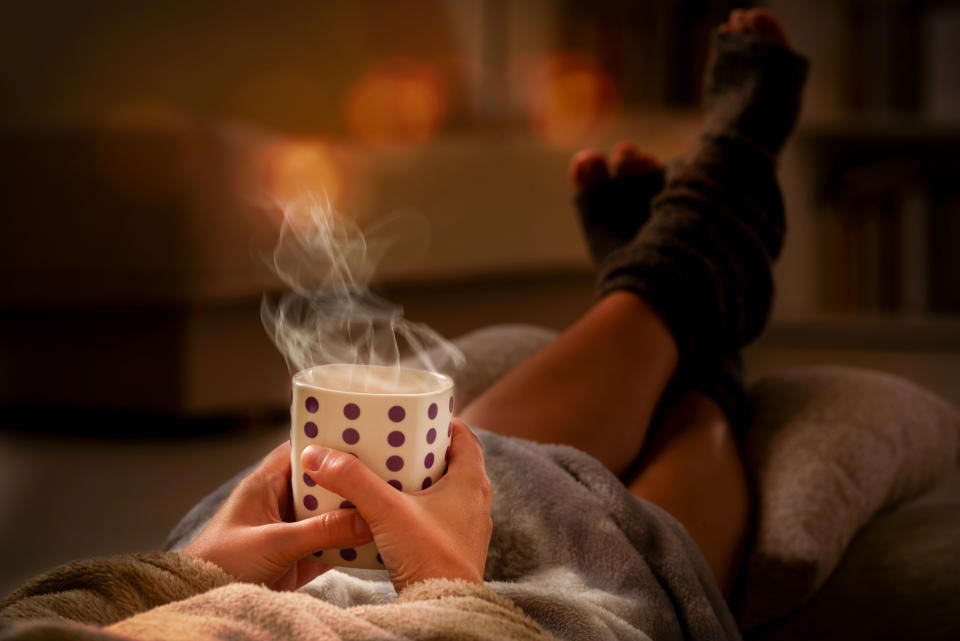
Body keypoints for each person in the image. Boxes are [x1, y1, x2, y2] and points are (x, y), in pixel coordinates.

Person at [1, 9, 807, 641]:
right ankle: (692, 276)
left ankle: (686, 295)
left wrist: (182, 572)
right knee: (619, 572)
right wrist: (446, 594)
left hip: (237, 585)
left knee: (499, 478)